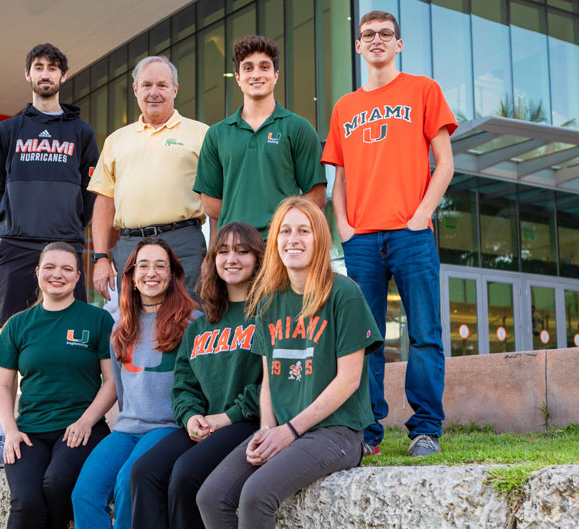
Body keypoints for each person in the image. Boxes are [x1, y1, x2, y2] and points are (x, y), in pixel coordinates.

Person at [196, 197, 382, 529]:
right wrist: (267, 430)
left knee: (255, 496)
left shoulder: (344, 294)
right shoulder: (268, 302)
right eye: (285, 230)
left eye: (303, 230)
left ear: (320, 239)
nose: (292, 239)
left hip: (335, 432)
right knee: (211, 496)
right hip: (282, 428)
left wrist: (290, 431)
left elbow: (348, 380)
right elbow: (269, 379)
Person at [321, 10, 457, 457]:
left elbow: (445, 164)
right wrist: (343, 226)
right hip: (361, 238)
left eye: (385, 34)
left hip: (410, 233)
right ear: (358, 47)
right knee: (365, 337)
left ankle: (425, 429)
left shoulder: (423, 90)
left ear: (398, 44)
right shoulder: (345, 107)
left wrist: (420, 216)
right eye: (367, 35)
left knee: (424, 332)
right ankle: (367, 430)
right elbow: (338, 177)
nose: (376, 40)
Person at [0, 43, 100, 469]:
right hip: (17, 244)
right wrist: (10, 223)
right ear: (28, 75)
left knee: (78, 336)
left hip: (67, 242)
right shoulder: (8, 131)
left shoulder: (82, 134)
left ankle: (80, 429)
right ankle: (3, 435)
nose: (46, 74)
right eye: (38, 67)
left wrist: (72, 226)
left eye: (53, 68)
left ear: (63, 77)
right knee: (12, 337)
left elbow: (93, 191)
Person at [130, 222, 265, 529]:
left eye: (242, 251)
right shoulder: (202, 325)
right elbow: (183, 385)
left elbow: (273, 383)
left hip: (247, 422)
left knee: (186, 473)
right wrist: (191, 417)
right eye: (224, 251)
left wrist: (225, 417)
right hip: (203, 425)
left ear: (258, 259)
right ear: (212, 260)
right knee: (143, 471)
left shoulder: (267, 313)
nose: (232, 259)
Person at [72, 237, 198, 529]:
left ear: (172, 275)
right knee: (84, 493)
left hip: (167, 427)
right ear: (131, 275)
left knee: (128, 484)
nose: (151, 273)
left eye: (160, 266)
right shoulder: (121, 326)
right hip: (127, 428)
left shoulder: (192, 322)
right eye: (143, 265)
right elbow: (119, 385)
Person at [0, 242, 116, 529]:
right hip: (30, 431)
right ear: (37, 273)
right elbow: (1, 386)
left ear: (78, 276)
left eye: (67, 268)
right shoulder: (17, 325)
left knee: (57, 483)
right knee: (26, 503)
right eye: (49, 267)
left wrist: (86, 422)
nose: (57, 274)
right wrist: (10, 432)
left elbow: (112, 382)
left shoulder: (97, 320)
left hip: (83, 429)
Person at [88, 56, 208, 303]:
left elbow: (217, 198)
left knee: (189, 317)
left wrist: (215, 253)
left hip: (184, 243)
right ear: (135, 89)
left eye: (162, 85)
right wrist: (100, 257)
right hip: (130, 245)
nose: (154, 92)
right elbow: (104, 202)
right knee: (133, 323)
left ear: (175, 89)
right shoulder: (116, 140)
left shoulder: (201, 134)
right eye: (147, 85)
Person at [194, 35, 326, 239]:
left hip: (281, 245)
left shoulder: (298, 127)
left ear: (276, 75)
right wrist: (243, 227)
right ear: (237, 77)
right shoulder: (217, 134)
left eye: (264, 67)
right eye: (248, 68)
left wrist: (283, 224)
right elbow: (210, 203)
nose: (256, 74)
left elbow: (316, 196)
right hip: (236, 246)